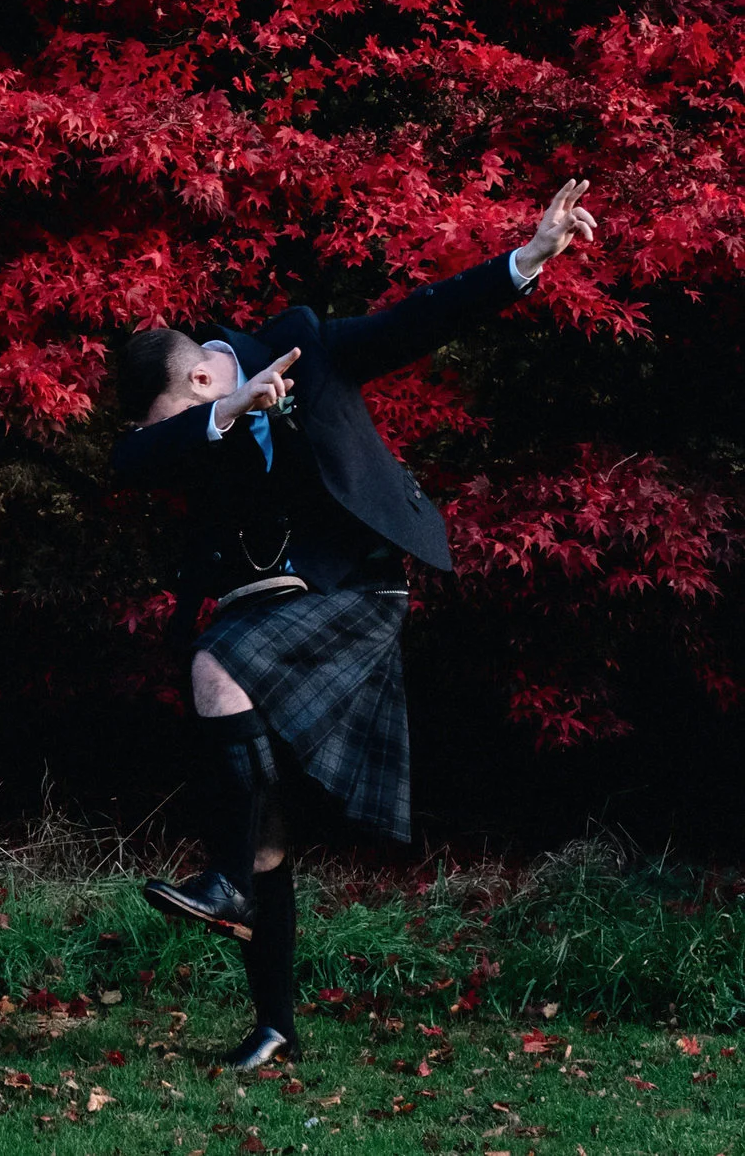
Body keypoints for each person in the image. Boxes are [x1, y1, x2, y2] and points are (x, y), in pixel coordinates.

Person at [111, 180, 598, 1069]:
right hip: (270, 605)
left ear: (199, 370)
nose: (187, 437)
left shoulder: (309, 347)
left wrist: (527, 258)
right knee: (264, 822)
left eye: (191, 409)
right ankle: (274, 1023)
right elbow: (135, 457)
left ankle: (225, 881)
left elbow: (419, 319)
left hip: (356, 590)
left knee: (215, 673)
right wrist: (226, 413)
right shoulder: (204, 413)